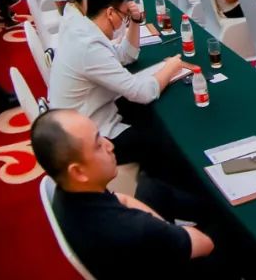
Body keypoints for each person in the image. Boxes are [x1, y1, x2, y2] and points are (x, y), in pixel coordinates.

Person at [31, 109, 222, 280]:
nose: (109, 145)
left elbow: (121, 198)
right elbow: (205, 244)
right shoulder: (132, 229)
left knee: (151, 186)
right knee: (227, 226)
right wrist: (166, 230)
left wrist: (162, 227)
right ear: (78, 172)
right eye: (98, 145)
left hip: (130, 253)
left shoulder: (68, 190)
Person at [47, 0, 195, 176]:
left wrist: (134, 21)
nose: (124, 20)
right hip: (89, 141)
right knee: (166, 141)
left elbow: (126, 56)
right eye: (124, 15)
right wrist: (171, 67)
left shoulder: (83, 29)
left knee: (150, 114)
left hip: (85, 119)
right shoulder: (88, 46)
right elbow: (142, 93)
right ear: (110, 13)